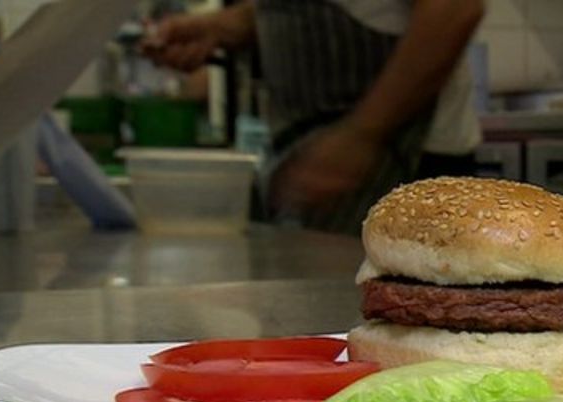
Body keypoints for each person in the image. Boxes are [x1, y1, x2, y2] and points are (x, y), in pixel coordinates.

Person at [144, 0, 484, 234]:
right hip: (320, 160)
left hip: (411, 162)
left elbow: (453, 9)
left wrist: (362, 134)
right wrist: (214, 29)